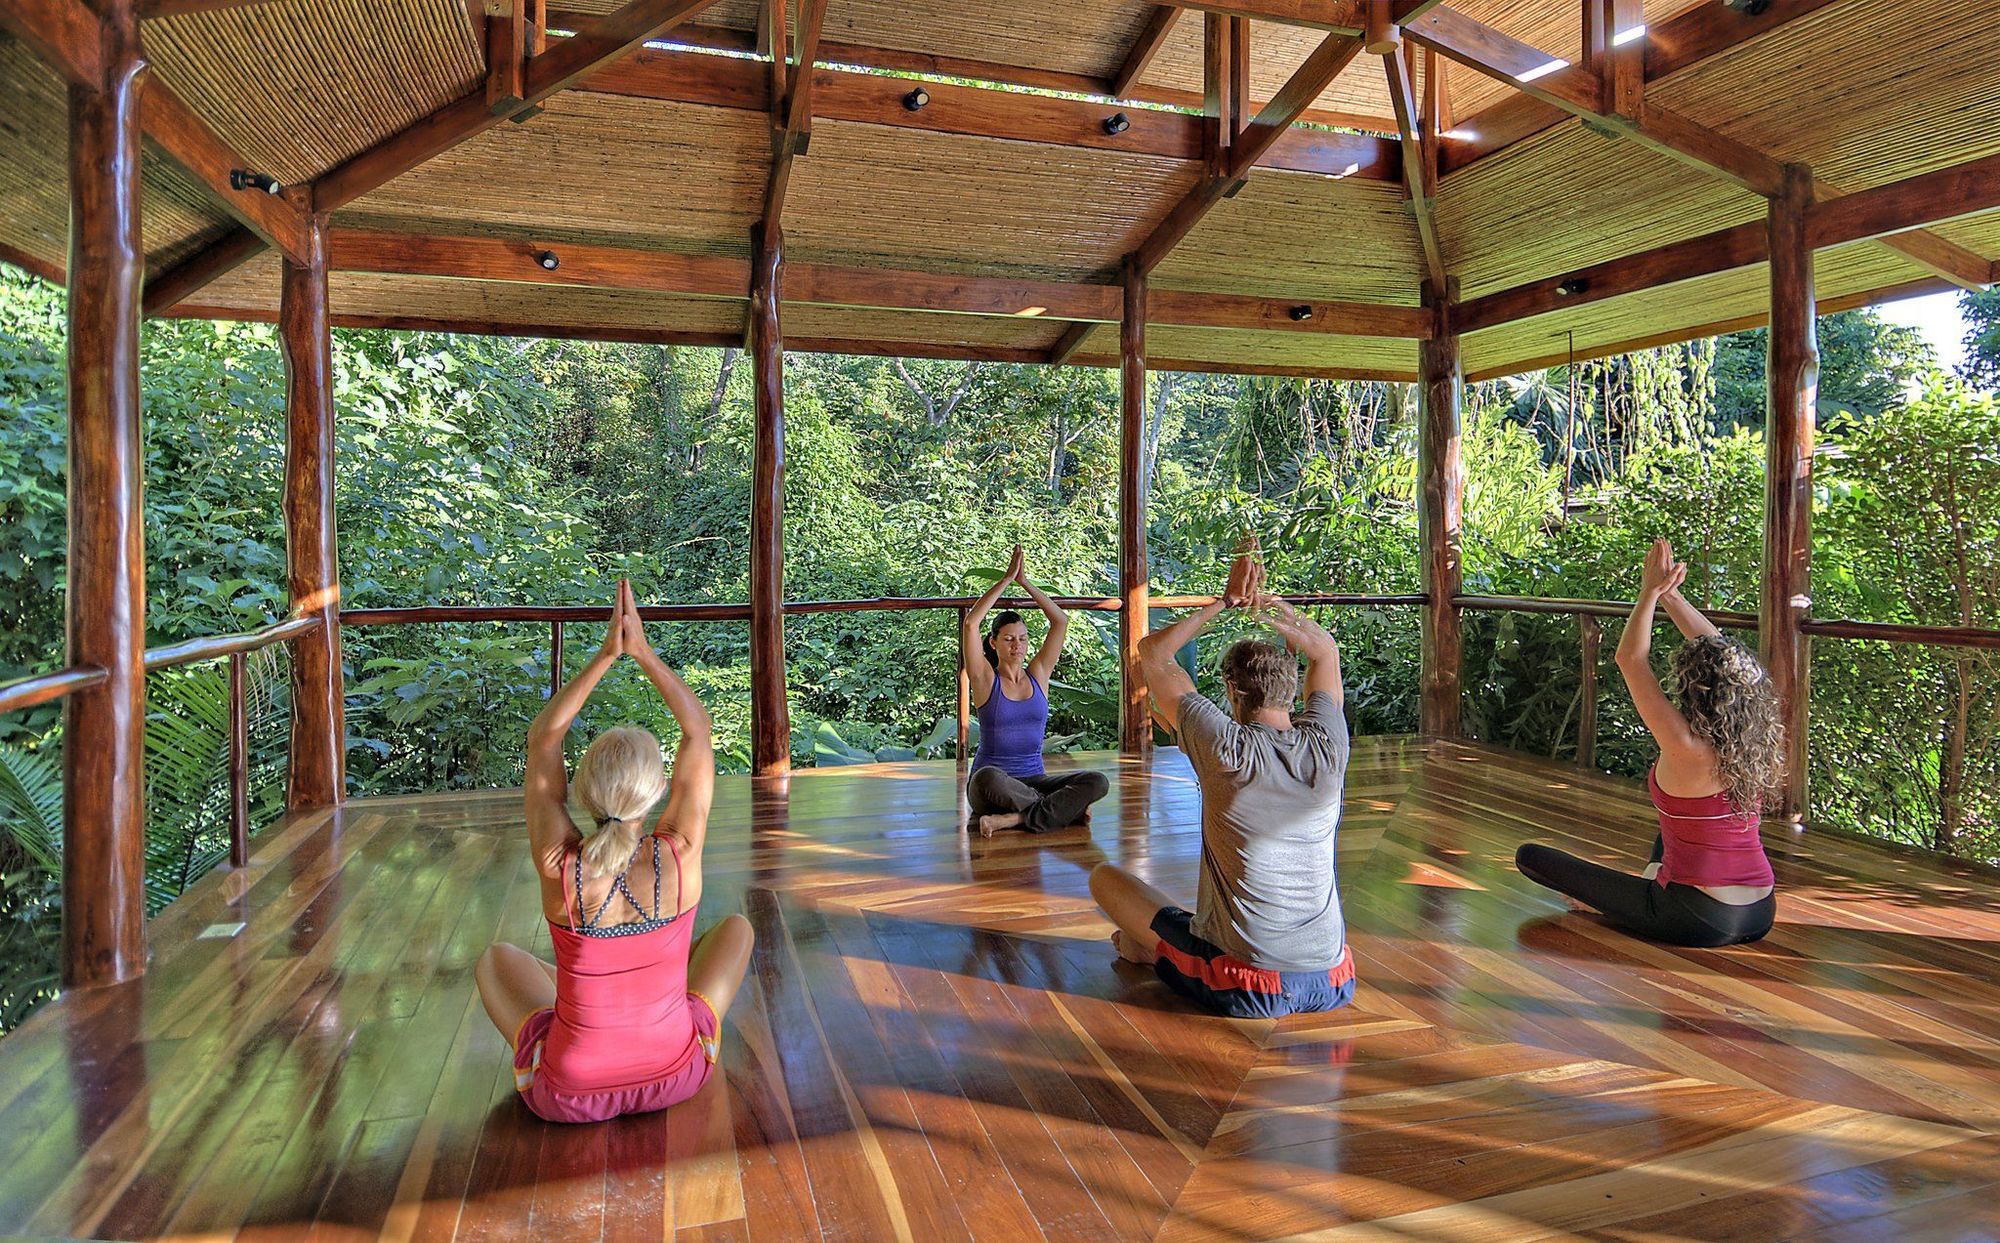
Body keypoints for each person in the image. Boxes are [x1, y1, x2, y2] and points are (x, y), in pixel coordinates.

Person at [475, 580, 754, 1124]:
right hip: (676, 1077)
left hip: (567, 1094)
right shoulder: (680, 854)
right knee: (737, 929)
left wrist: (604, 657)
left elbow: (543, 741)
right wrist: (642, 653)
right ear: (655, 793)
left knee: (497, 959)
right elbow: (698, 734)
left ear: (582, 792)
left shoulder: (561, 868)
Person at [1088, 555, 1356, 1019]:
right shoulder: (1329, 746)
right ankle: (1160, 950)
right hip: (1335, 977)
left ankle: (1158, 954)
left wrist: (1225, 601)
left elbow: (1151, 654)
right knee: (1178, 920)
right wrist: (1269, 605)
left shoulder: (1224, 748)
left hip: (1248, 984)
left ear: (1232, 692)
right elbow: (1326, 651)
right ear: (1291, 691)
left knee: (1105, 879)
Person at [1515, 538, 1781, 948]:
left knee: (1531, 858)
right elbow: (1725, 653)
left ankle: (1626, 901)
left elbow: (1630, 660)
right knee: (1670, 831)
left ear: (1690, 688)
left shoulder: (1685, 745)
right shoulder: (1753, 737)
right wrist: (1670, 596)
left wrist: (1648, 594)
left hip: (1698, 917)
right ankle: (1645, 887)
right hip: (1761, 911)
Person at [961, 544, 1110, 837]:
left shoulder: (1039, 675)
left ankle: (1012, 820)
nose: (1017, 646)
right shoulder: (985, 679)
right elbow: (970, 624)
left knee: (1097, 782)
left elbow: (1060, 621)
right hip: (992, 786)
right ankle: (1058, 810)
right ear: (993, 643)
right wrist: (1005, 580)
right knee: (986, 778)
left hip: (1034, 782)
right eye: (1008, 639)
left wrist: (1025, 582)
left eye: (1022, 639)